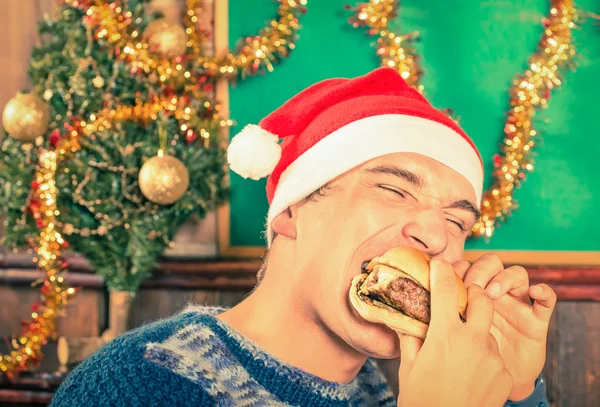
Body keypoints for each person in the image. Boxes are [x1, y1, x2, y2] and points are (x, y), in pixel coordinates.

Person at [50, 67, 556, 406]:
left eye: (457, 221)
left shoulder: (376, 392)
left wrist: (514, 391)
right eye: (393, 190)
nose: (434, 235)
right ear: (291, 212)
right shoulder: (137, 385)